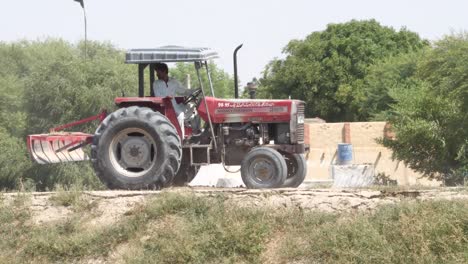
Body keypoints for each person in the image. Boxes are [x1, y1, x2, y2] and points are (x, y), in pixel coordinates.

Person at [153, 63, 193, 139]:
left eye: (158, 72)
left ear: (164, 71)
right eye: (156, 72)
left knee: (192, 108)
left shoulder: (174, 82)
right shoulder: (156, 83)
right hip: (165, 107)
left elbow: (183, 91)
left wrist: (194, 91)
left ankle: (194, 131)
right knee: (180, 116)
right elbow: (157, 96)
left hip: (175, 106)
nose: (157, 75)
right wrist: (166, 98)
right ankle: (181, 138)